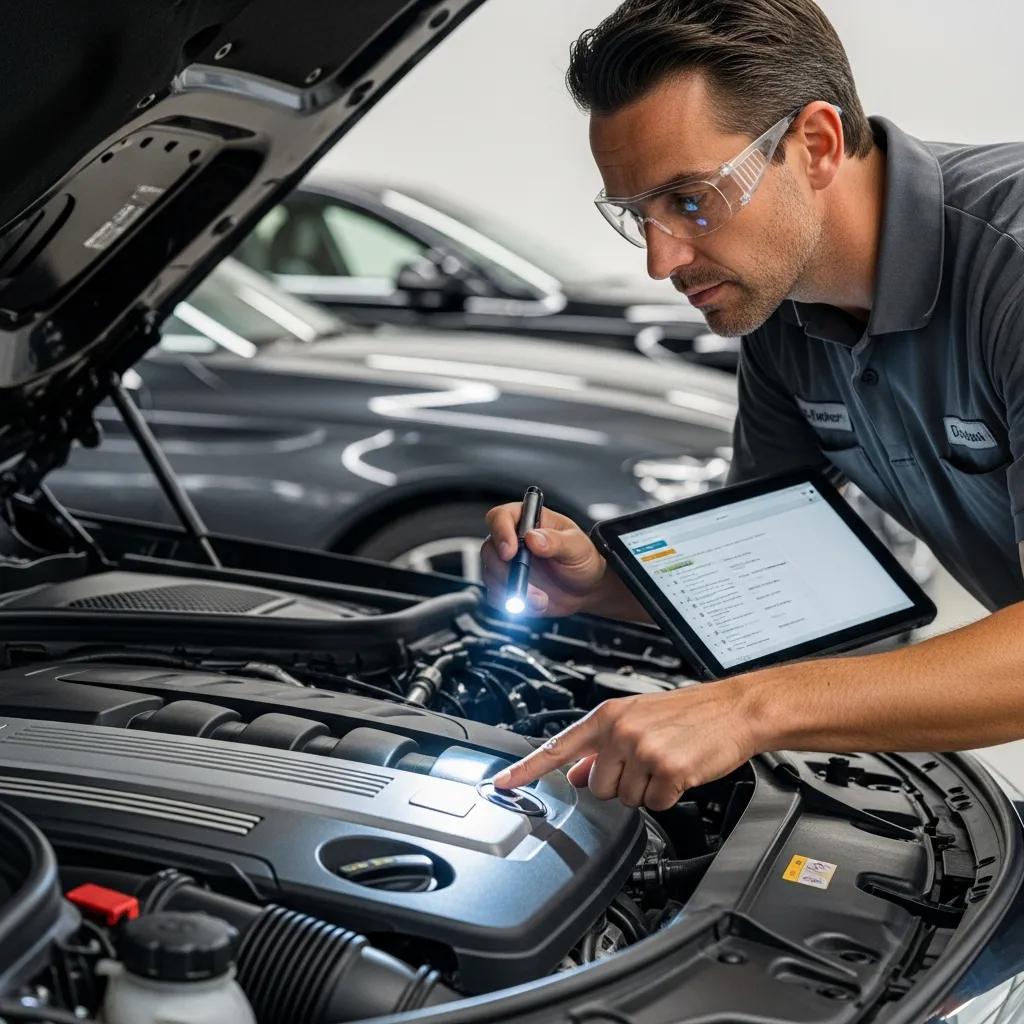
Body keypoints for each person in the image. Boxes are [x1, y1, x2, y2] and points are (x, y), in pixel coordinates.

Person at [481, 0, 1024, 811]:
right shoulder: (781, 309)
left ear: (815, 145)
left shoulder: (1010, 263)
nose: (662, 260)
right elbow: (771, 574)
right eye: (639, 215)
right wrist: (601, 584)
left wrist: (747, 710)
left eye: (691, 200)